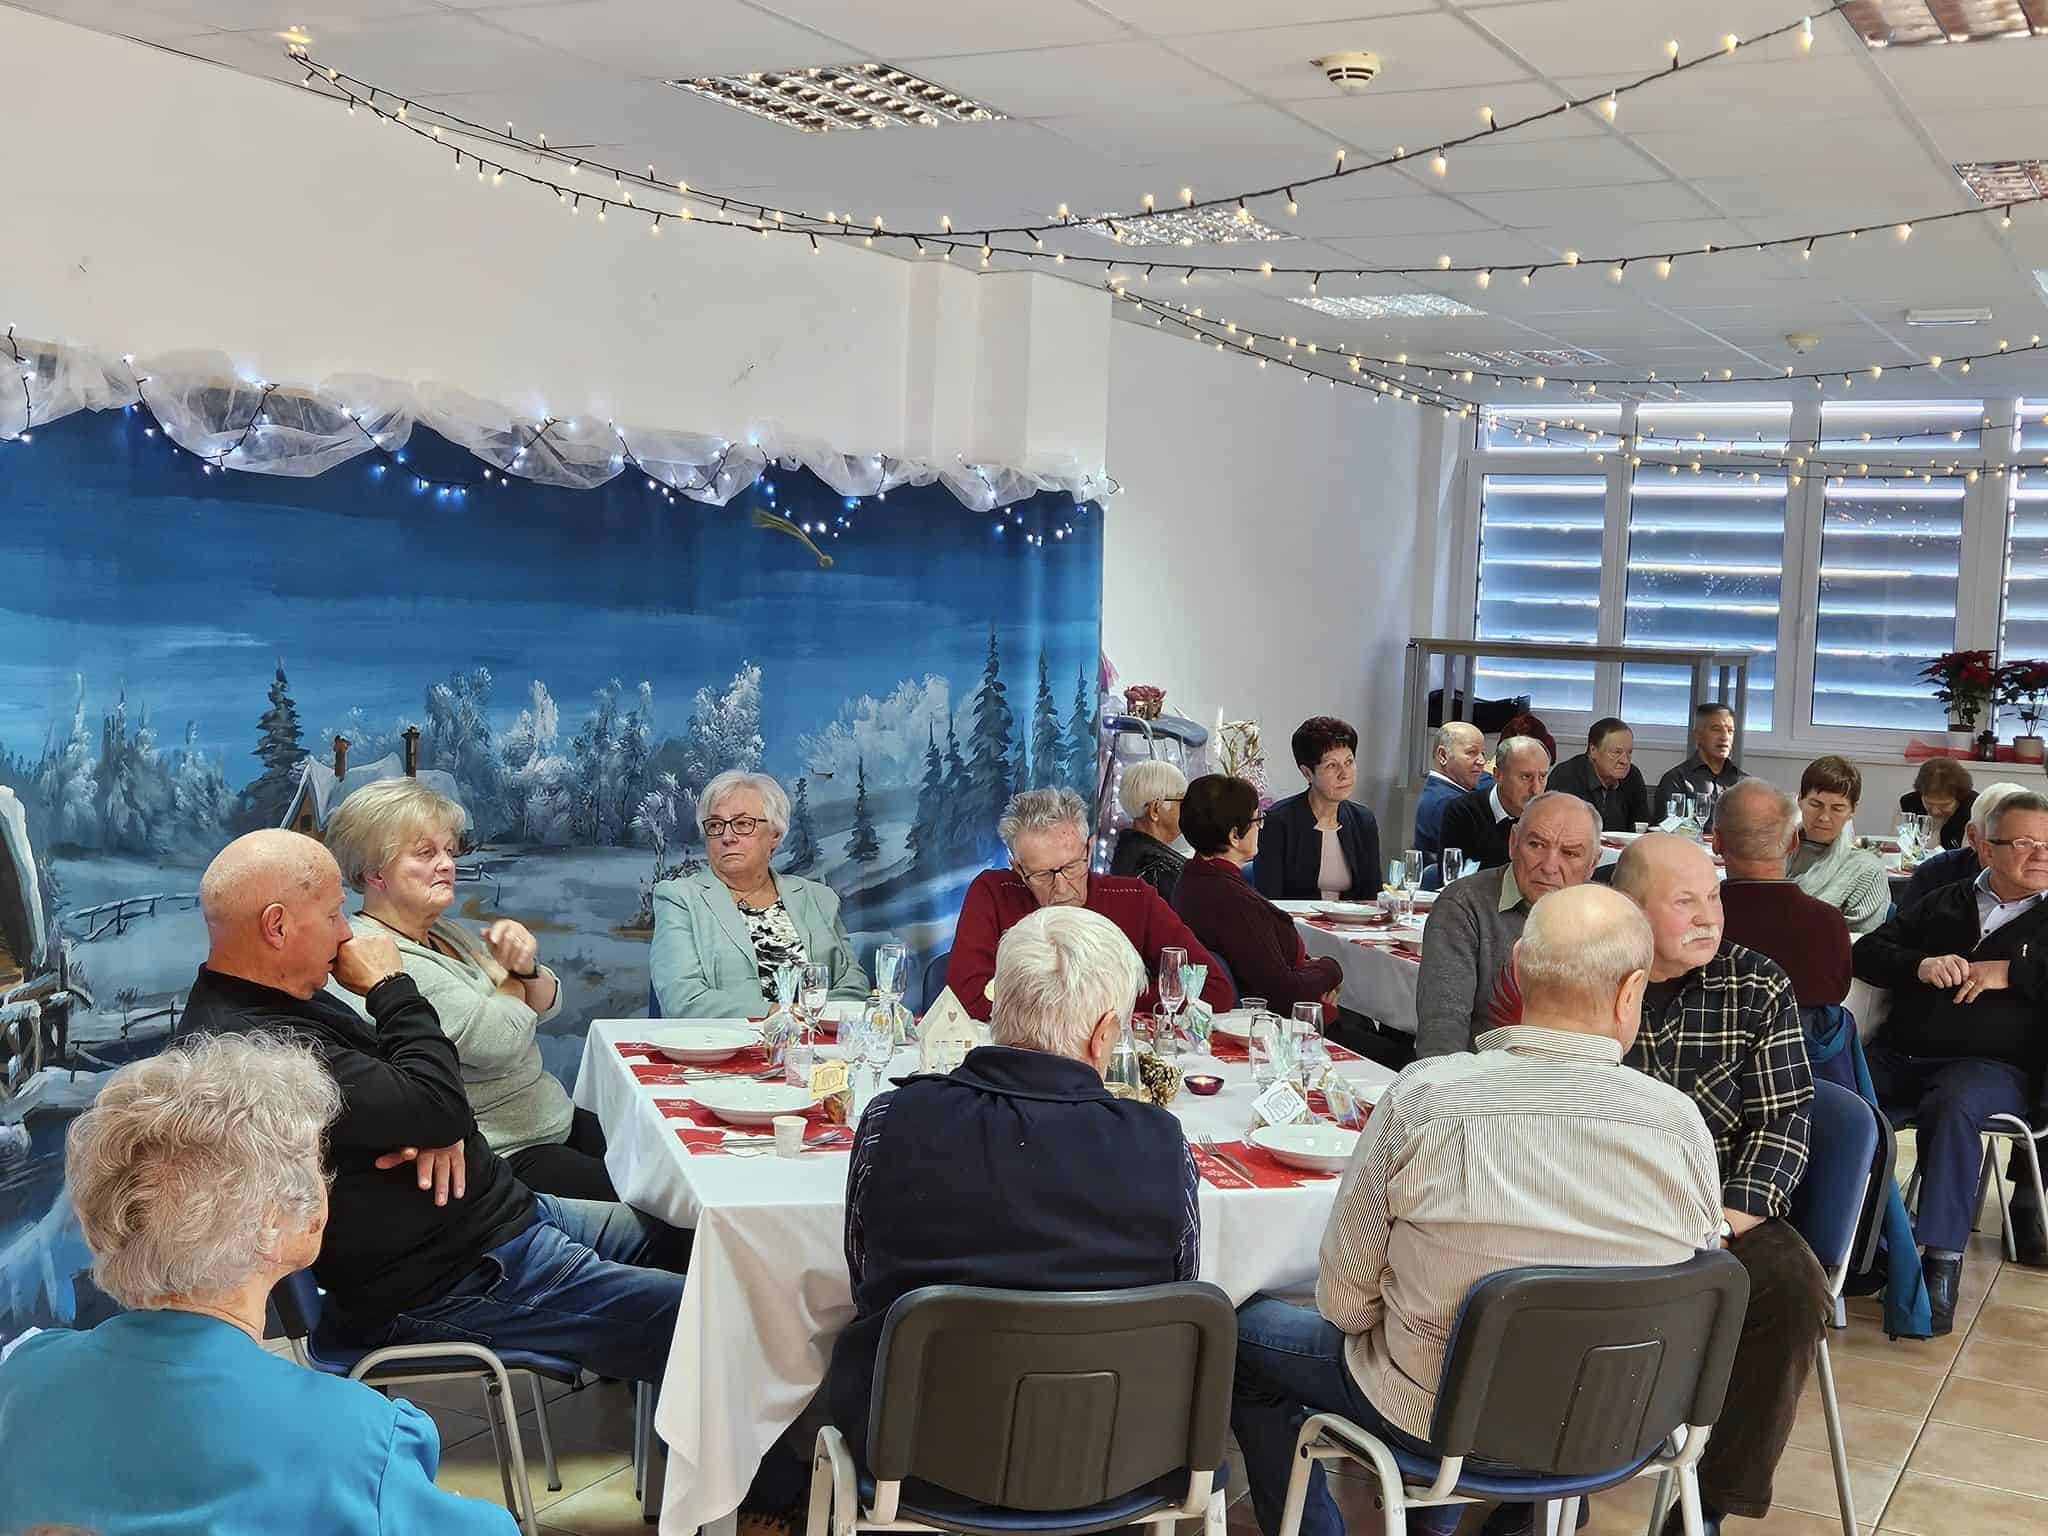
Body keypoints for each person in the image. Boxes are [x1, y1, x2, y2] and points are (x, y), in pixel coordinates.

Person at [1230, 886, 1721, 1536]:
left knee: (1236, 1325)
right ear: (1632, 991)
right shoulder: (1681, 1125)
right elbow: (1689, 1289)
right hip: (1619, 1419)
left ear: (1514, 968)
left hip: (1432, 1419)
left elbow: (1346, 1307)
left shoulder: (1426, 1098)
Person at [176, 830, 685, 1382]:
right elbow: (436, 1098)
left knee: (709, 1246)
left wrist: (434, 1122)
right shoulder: (254, 1049)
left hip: (506, 1218)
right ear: (277, 927)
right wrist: (391, 985)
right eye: (332, 915)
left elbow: (430, 1096)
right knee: (730, 1318)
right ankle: (751, 1464)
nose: (347, 932)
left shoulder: (286, 992)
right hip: (453, 1279)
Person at [0, 1032, 517, 1535]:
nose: (324, 1183)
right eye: (316, 1164)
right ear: (274, 1222)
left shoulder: (21, 1376)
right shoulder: (358, 1439)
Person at [832, 905, 1199, 1464]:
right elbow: (1178, 1292)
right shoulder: (1162, 1146)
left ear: (997, 1007)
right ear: (1105, 1035)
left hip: (913, 1452)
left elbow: (865, 1281)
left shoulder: (892, 1120)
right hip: (1112, 1459)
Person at [1611, 835, 1828, 1535]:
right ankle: (1535, 1487)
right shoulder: (1596, 975)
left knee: (1793, 1288)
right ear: (1632, 911)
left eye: (1714, 898)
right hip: (1603, 1208)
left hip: (1721, 1213)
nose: (1709, 916)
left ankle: (1706, 1507)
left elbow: (1783, 1122)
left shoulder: (1756, 983)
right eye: (1685, 902)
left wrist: (1723, 1224)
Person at [323, 779, 606, 1200]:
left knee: (672, 1166)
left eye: (449, 851)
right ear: (373, 871)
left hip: (551, 1120)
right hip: (504, 1154)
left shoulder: (445, 932)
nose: (447, 864)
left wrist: (526, 969)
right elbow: (501, 1040)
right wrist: (513, 976)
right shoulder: (375, 957)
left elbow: (549, 1004)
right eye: (426, 853)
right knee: (665, 1214)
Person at [1853, 790, 2048, 1310]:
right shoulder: (1946, 899)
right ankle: (1857, 1243)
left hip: (1993, 1069)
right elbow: (1867, 952)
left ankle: (1941, 1262)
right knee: (1838, 1094)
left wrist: (2013, 972)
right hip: (1903, 1056)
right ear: (1987, 849)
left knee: (1953, 1104)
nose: (2041, 854)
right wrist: (1919, 964)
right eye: (2026, 843)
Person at [946, 787, 1233, 1021]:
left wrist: (1064, 1001)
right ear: (1018, 868)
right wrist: (1112, 998)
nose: (1061, 887)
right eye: (1043, 874)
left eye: (1071, 867)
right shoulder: (994, 891)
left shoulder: (1134, 897)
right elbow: (969, 997)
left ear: (1089, 849)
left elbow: (1212, 989)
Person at [651, 770, 869, 1017]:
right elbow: (683, 1000)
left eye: (742, 824)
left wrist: (812, 1022)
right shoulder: (679, 899)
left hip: (817, 1046)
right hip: (724, 1047)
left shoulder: (819, 898)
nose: (727, 837)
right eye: (715, 825)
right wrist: (782, 1015)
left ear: (775, 834)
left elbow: (854, 987)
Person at [1413, 792, 1601, 1057]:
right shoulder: (1465, 906)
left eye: (1570, 853)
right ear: (1513, 843)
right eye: (1536, 845)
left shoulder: (1607, 917)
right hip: (1483, 1087)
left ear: (1594, 863)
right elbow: (1442, 1032)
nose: (1549, 866)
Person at [1171, 774, 1341, 1023]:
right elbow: (1283, 992)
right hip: (1273, 1027)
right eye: (1257, 819)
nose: (1261, 826)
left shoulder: (1191, 878)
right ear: (1234, 836)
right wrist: (1330, 968)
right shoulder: (1235, 902)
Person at [1713, 779, 1852, 1009]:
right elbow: (1837, 996)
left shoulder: (1700, 922)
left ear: (1717, 841)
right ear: (1794, 842)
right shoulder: (1828, 924)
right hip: (1804, 1045)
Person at [1252, 716, 1385, 903]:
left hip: (1351, 928)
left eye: (1349, 762)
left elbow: (1372, 896)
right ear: (1307, 773)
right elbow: (1270, 901)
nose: (1344, 774)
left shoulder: (1363, 820)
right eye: (1332, 765)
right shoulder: (1278, 821)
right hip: (1296, 928)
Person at [1786, 756, 1889, 936]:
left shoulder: (1866, 871)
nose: (1824, 817)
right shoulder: (1773, 852)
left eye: (1837, 808)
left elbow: (1863, 943)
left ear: (1852, 810)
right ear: (1800, 800)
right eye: (1815, 804)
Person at [1899, 780, 2028, 912]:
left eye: (2027, 841)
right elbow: (1900, 930)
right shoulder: (1935, 874)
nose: (2017, 850)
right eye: (2003, 834)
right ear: (1973, 837)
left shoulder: (2040, 878)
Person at [1435, 735, 1549, 875]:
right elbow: (1451, 879)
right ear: (1498, 775)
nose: (1536, 789)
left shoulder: (1549, 816)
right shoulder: (1462, 812)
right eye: (1526, 777)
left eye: (1542, 777)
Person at [1546, 717, 1652, 833]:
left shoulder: (1632, 776)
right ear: (1593, 750)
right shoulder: (1566, 776)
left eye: (1629, 752)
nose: (1625, 761)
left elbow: (1642, 826)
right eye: (1616, 752)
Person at [1652, 702, 1746, 830]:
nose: (1725, 737)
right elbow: (1667, 830)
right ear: (1698, 735)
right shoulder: (1676, 780)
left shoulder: (1743, 782)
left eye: (1730, 731)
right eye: (1716, 729)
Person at [1110, 758, 1189, 902]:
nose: (1188, 810)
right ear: (1155, 810)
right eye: (1182, 802)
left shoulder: (1127, 851)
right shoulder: (1156, 868)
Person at [1412, 721, 1492, 859]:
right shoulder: (1447, 803)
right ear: (1443, 756)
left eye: (1482, 754)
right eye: (1472, 753)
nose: (1482, 761)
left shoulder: (1452, 789)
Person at [1901, 757, 1976, 852]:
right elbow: (1897, 846)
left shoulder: (1974, 808)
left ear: (1959, 797)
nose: (1935, 811)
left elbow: (1970, 856)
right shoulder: (1907, 803)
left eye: (1944, 805)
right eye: (1929, 803)